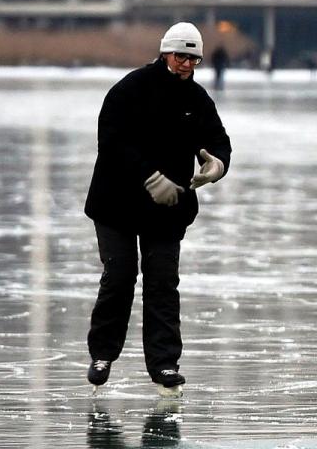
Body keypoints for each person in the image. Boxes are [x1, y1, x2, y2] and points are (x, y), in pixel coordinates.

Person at [83, 21, 232, 396]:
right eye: (181, 56)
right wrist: (150, 177)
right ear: (165, 52)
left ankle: (164, 364)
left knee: (163, 282)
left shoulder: (197, 100)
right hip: (116, 203)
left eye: (193, 59)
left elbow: (217, 140)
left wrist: (217, 165)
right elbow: (111, 141)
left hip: (166, 209)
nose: (186, 64)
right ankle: (102, 354)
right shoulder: (130, 89)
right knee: (119, 277)